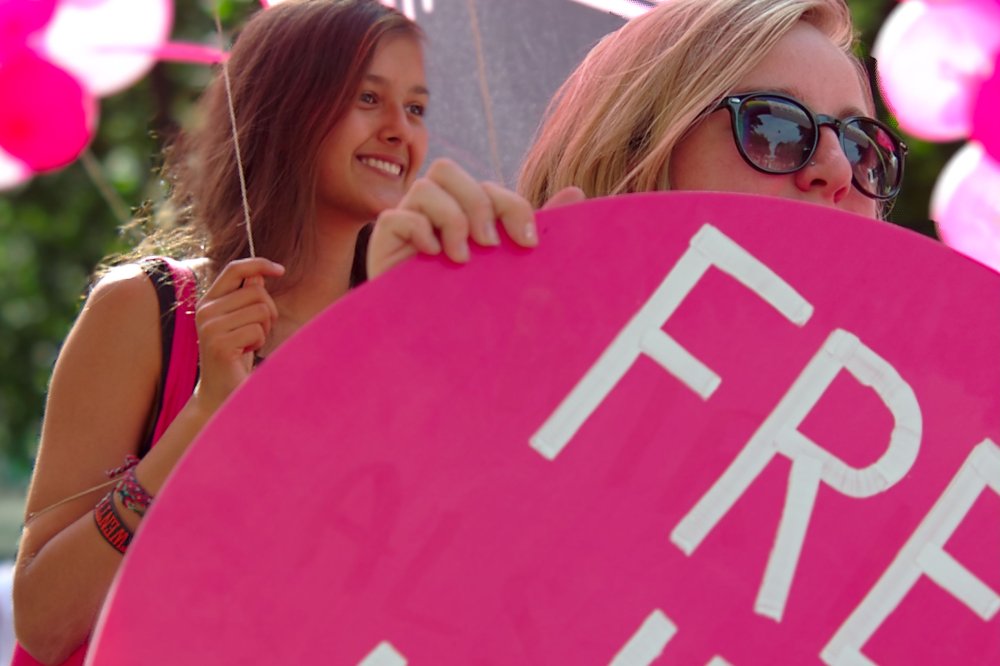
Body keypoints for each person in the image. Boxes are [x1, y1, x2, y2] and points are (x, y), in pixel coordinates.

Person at [10, 1, 541, 663]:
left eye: (416, 108)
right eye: (368, 98)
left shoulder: (418, 340)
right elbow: (43, 623)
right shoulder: (146, 311)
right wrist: (203, 415)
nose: (399, 131)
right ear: (287, 105)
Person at [368, 0, 906, 276]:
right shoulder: (504, 358)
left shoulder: (939, 430)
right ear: (635, 159)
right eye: (777, 128)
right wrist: (414, 339)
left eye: (861, 146)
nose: (838, 169)